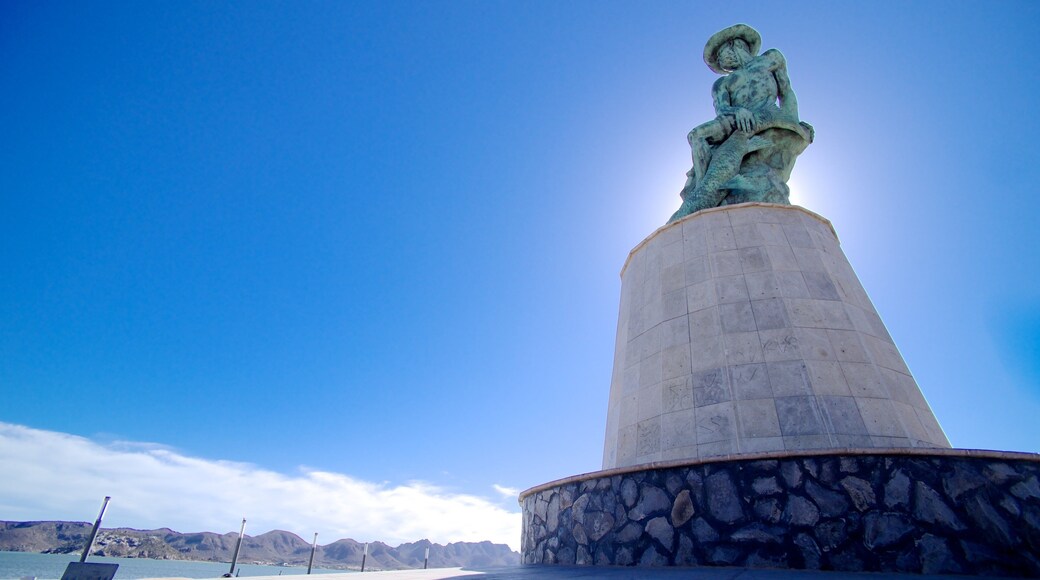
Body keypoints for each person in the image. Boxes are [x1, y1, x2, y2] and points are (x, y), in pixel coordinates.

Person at [669, 24, 813, 223]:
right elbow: (722, 109)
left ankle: (709, 192)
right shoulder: (722, 84)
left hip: (766, 114)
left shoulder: (771, 59)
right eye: (720, 62)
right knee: (696, 135)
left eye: (722, 56)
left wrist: (792, 121)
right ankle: (704, 188)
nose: (723, 63)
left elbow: (786, 92)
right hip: (735, 120)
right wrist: (738, 111)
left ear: (733, 45)